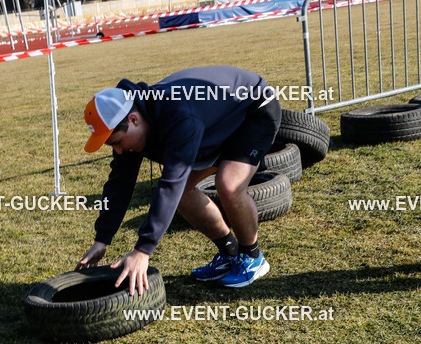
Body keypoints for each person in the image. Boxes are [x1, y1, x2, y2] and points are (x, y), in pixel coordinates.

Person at [78, 66, 282, 296]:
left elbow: (171, 182)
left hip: (253, 108)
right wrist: (102, 239)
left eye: (116, 141)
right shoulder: (134, 122)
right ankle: (230, 253)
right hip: (215, 120)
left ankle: (252, 257)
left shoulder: (178, 116)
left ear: (133, 119)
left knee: (229, 185)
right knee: (183, 194)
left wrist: (143, 251)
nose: (118, 150)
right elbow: (119, 183)